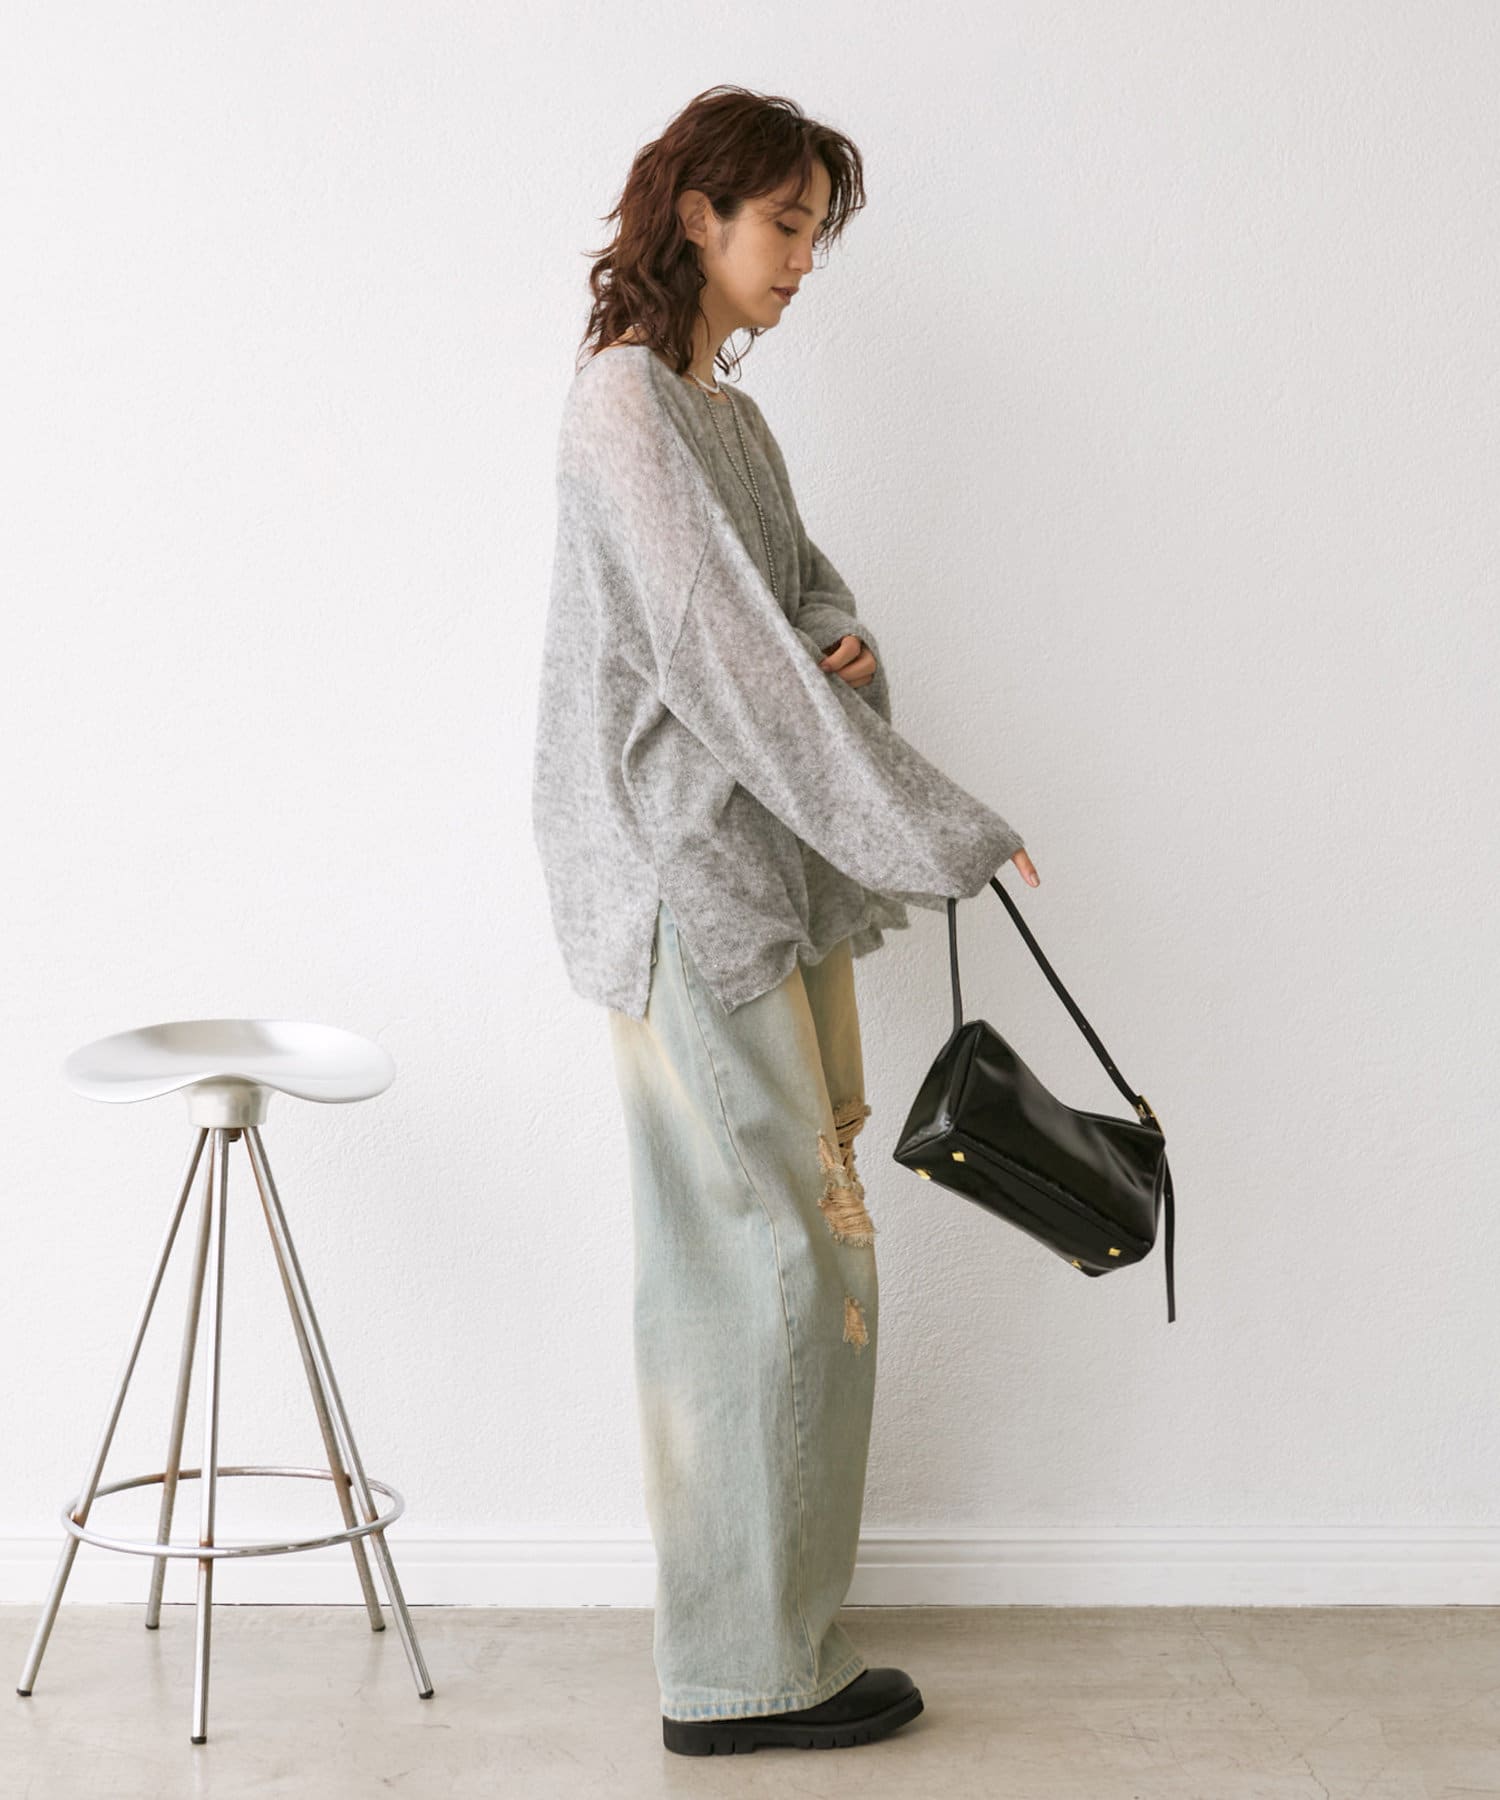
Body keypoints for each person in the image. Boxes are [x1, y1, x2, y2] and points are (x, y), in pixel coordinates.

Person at [530, 85, 1038, 1756]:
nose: (805, 261)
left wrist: (847, 643)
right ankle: (739, 1672)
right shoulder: (623, 405)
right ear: (698, 214)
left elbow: (799, 601)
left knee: (807, 1245)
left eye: (818, 231)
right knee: (757, 1260)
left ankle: (780, 1639)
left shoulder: (728, 423)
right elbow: (725, 663)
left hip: (759, 880)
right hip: (686, 885)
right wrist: (934, 825)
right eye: (787, 226)